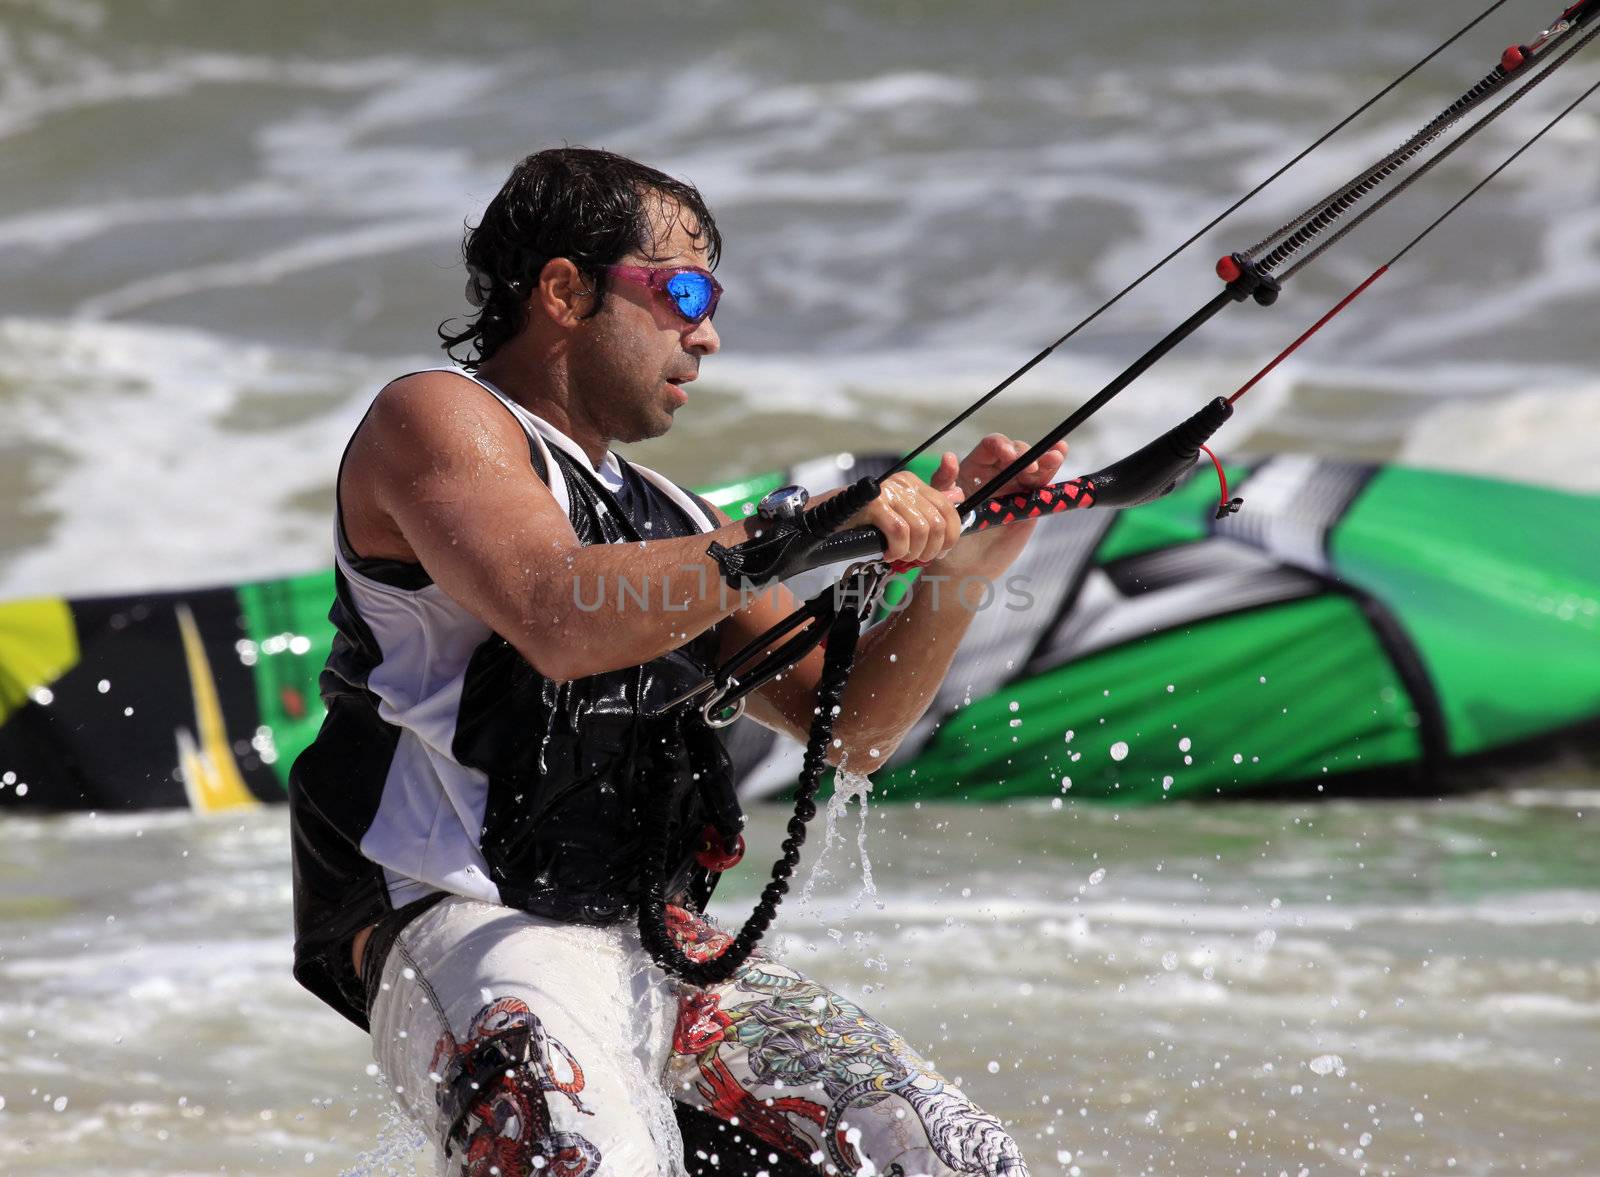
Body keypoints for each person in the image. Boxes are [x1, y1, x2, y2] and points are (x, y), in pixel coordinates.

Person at [289, 146, 1065, 1177]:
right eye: (681, 291)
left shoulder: (677, 519)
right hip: (463, 917)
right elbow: (556, 608)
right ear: (563, 290)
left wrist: (959, 573)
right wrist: (799, 529)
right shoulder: (435, 419)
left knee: (958, 1159)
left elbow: (853, 731)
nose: (706, 334)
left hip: (652, 945)